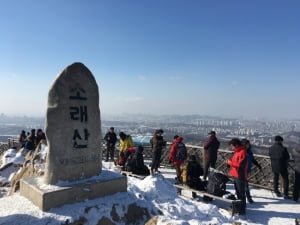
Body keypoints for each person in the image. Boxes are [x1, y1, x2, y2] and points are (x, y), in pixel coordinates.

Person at [227, 138, 248, 215]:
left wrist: (231, 163)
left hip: (240, 174)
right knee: (238, 192)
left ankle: (242, 210)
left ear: (236, 145)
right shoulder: (237, 152)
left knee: (241, 193)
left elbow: (240, 165)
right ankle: (239, 208)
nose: (232, 148)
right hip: (235, 174)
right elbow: (235, 161)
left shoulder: (242, 152)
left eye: (232, 146)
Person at [241, 139, 262, 203]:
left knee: (242, 184)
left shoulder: (249, 151)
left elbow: (252, 159)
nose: (248, 145)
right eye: (247, 144)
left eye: (248, 144)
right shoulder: (241, 151)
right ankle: (248, 198)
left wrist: (258, 165)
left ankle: (242, 196)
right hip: (241, 170)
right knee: (245, 185)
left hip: (246, 170)